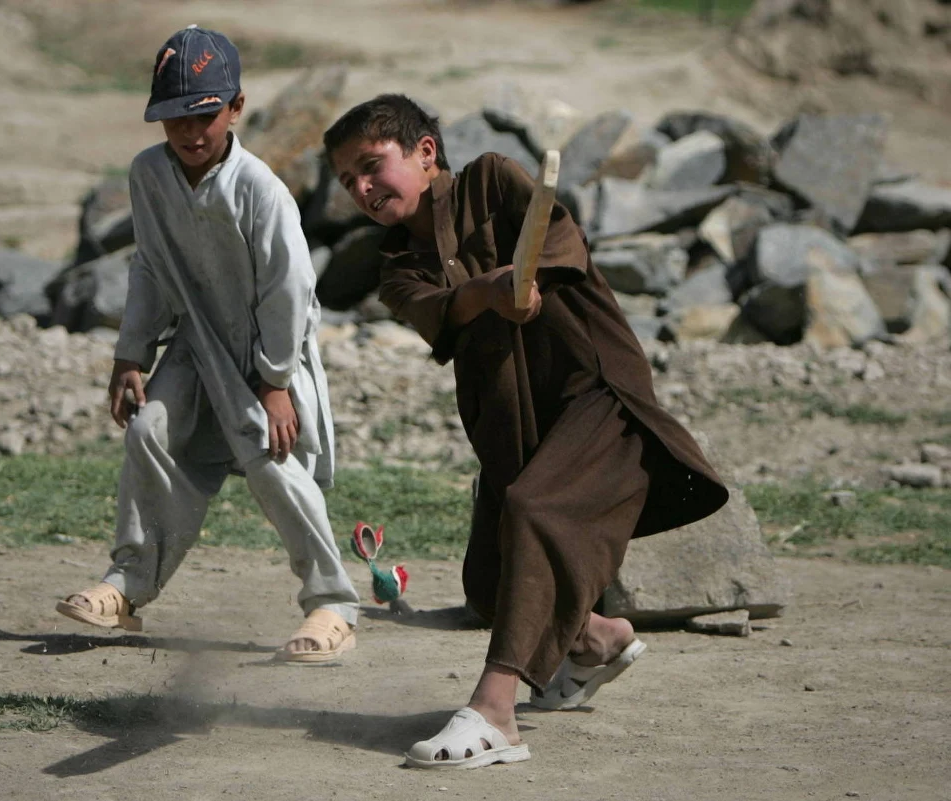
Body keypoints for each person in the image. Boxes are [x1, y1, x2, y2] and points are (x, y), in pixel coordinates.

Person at [324, 94, 728, 768]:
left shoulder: (490, 180)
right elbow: (439, 310)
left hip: (597, 395)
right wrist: (491, 290)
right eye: (347, 181)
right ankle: (597, 640)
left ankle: (495, 714)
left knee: (535, 509)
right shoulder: (397, 269)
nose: (362, 189)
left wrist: (529, 278)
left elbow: (561, 240)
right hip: (516, 429)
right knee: (490, 583)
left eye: (371, 166)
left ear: (425, 152)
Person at [56, 26, 359, 663]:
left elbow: (289, 289)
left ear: (236, 107)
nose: (190, 133)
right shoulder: (149, 174)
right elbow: (150, 265)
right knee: (148, 433)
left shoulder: (260, 189)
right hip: (195, 342)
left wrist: (274, 382)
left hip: (263, 352)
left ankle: (333, 604)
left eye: (205, 116)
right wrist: (132, 353)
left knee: (273, 461)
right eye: (175, 119)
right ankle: (127, 585)